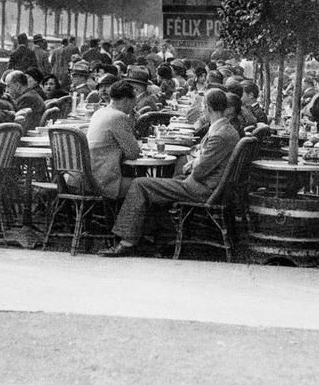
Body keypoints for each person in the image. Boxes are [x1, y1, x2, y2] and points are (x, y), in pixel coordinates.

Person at [100, 87, 239, 256]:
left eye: (203, 106)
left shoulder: (220, 134)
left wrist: (194, 162)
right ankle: (158, 236)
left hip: (201, 188)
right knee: (158, 182)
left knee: (140, 184)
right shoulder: (227, 130)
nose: (202, 110)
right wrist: (196, 161)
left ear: (208, 108)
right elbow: (203, 161)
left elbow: (199, 172)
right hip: (209, 185)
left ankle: (127, 243)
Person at [70, 79, 142, 200]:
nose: (134, 105)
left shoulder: (99, 112)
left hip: (80, 178)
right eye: (134, 101)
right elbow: (133, 153)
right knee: (144, 186)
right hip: (100, 182)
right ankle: (124, 219)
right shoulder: (118, 116)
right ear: (126, 100)